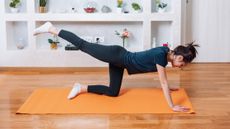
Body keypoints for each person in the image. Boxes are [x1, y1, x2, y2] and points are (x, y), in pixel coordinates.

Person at [34, 22, 199, 112]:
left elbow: (163, 79)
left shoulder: (164, 52)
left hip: (120, 62)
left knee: (113, 93)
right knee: (83, 45)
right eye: (181, 64)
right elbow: (162, 81)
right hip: (117, 55)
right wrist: (172, 106)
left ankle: (81, 87)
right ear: (177, 56)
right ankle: (51, 29)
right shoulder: (161, 56)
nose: (180, 67)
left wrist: (169, 88)